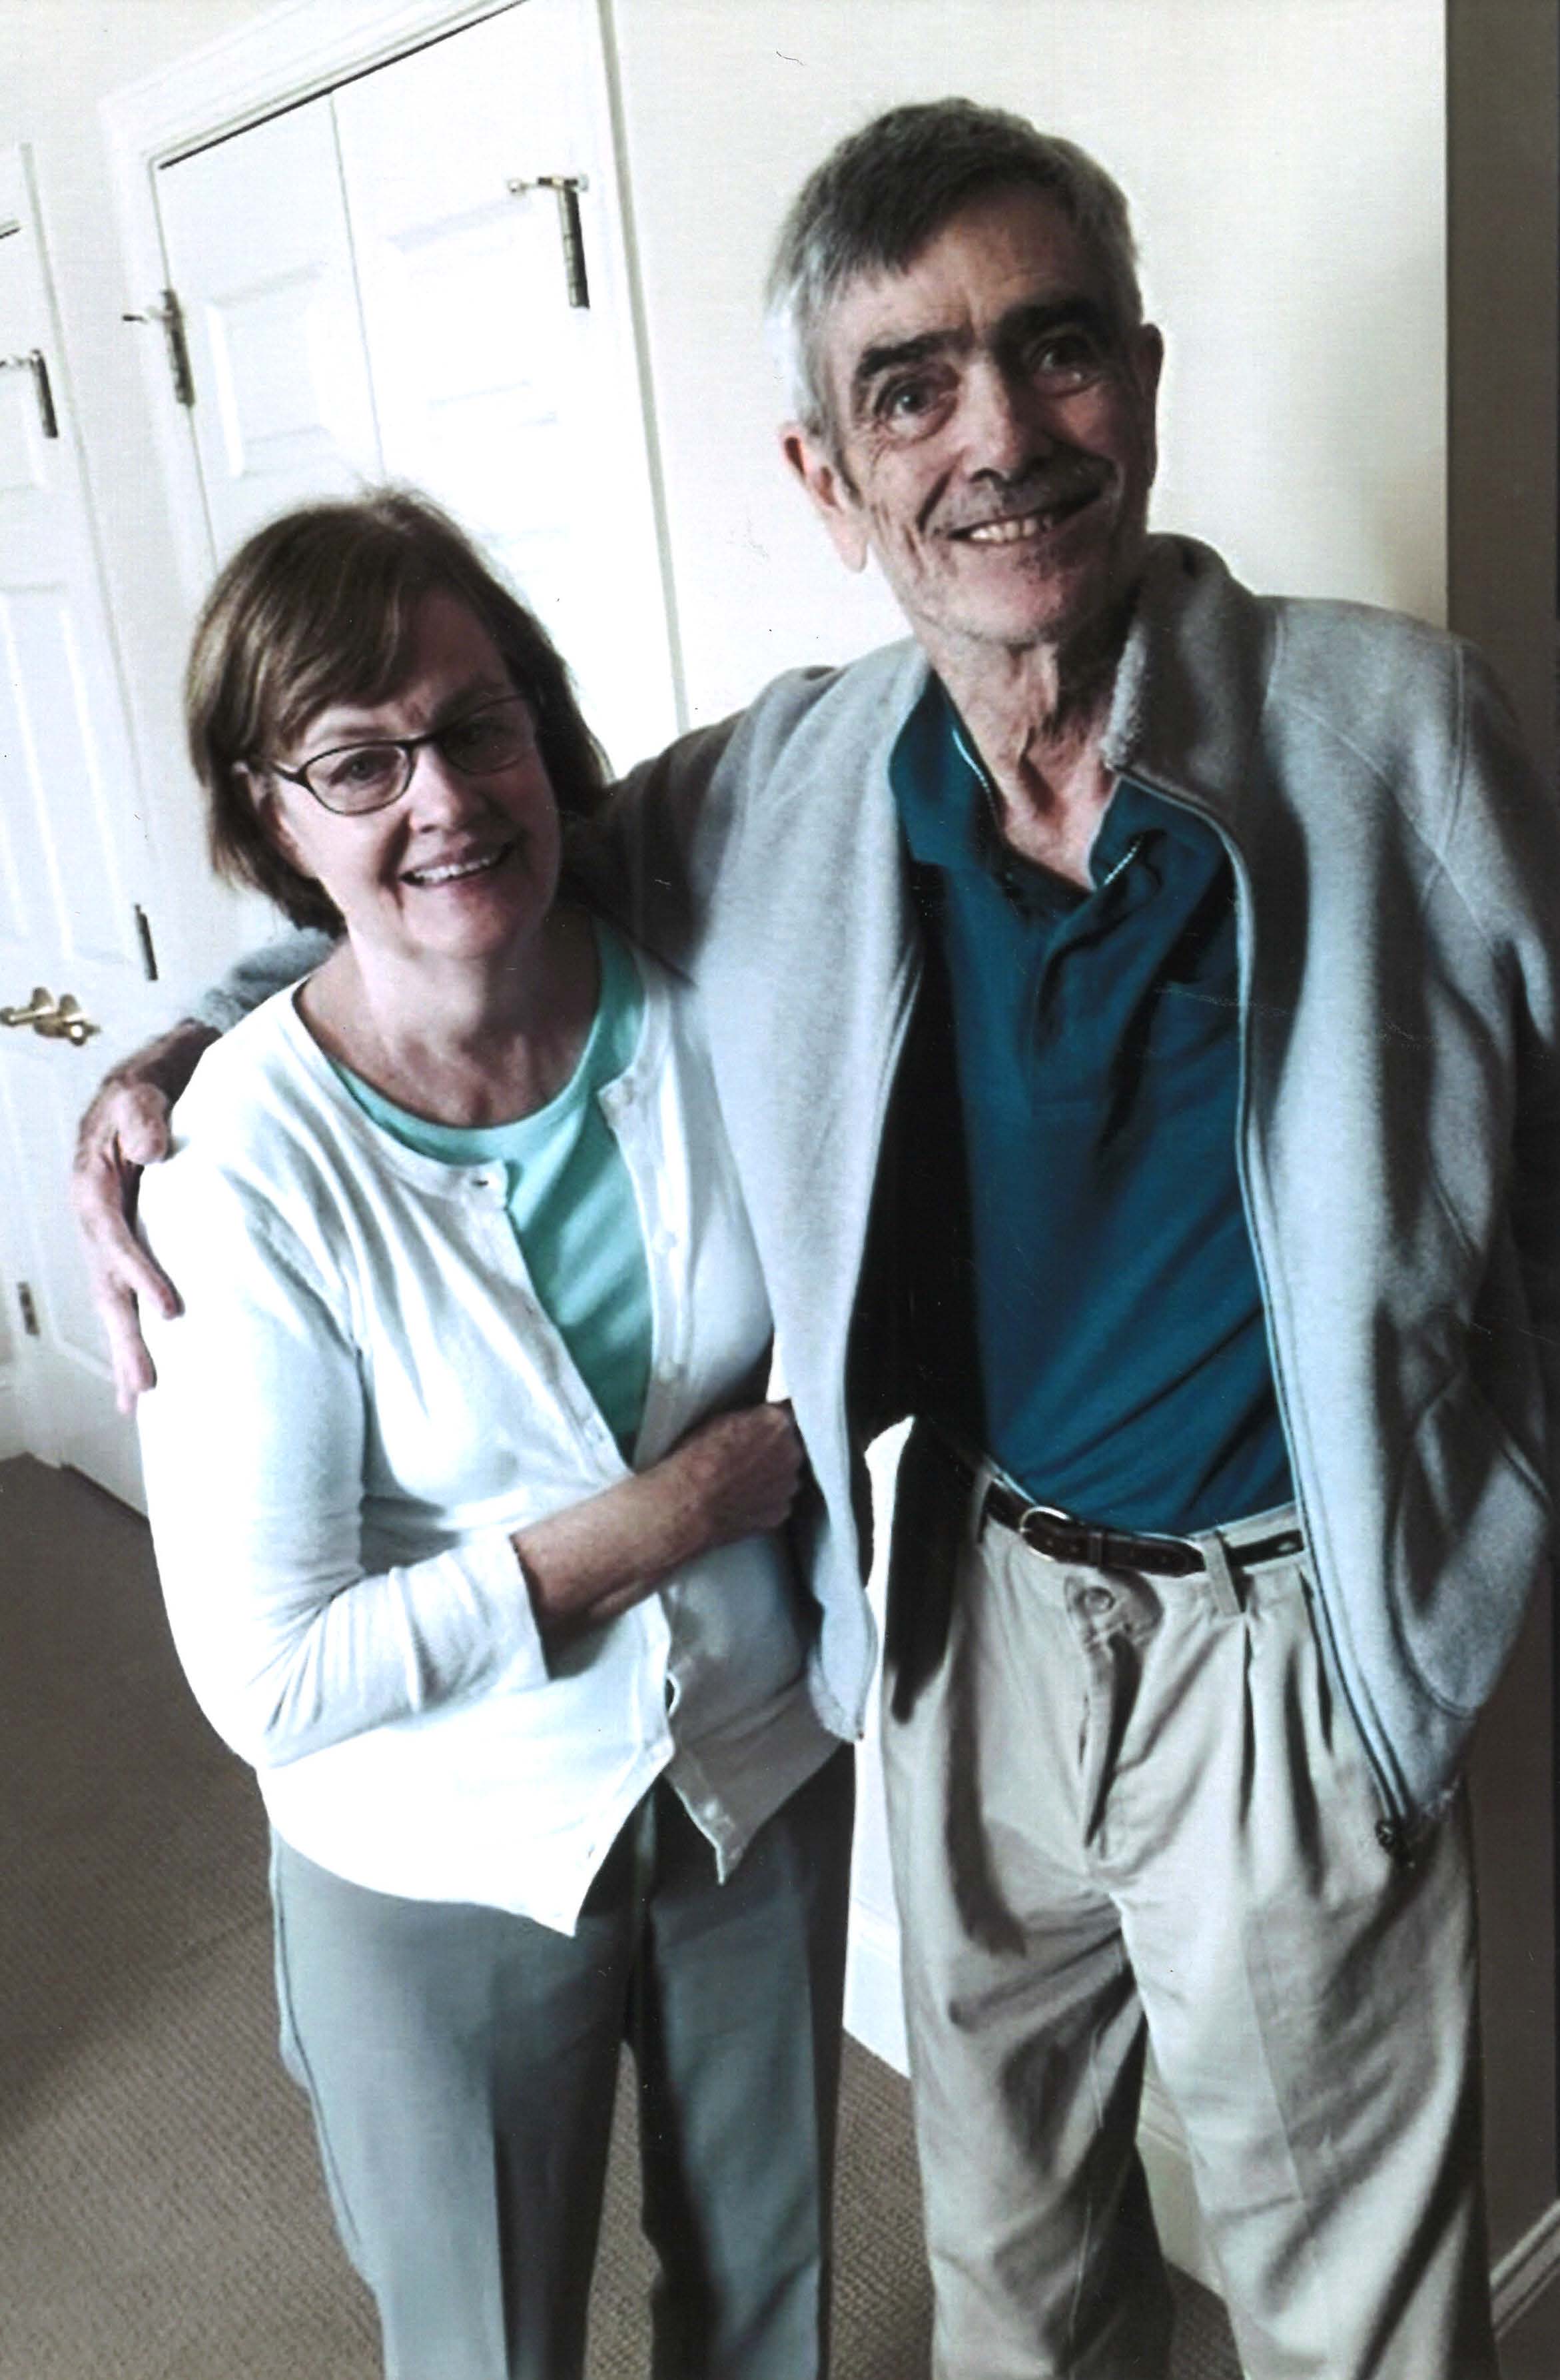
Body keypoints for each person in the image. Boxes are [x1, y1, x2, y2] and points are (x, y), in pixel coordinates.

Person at [74, 100, 1560, 2380]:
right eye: (911, 386)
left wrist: (1492, 1505)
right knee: (1007, 2256)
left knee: (1348, 2313)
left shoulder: (1392, 733)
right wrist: (178, 1045)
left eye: (1055, 349)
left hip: (1282, 1634)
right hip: (971, 1602)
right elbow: (465, 870)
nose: (1000, 438)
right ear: (830, 475)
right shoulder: (795, 784)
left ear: (1143, 379)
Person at [118, 490, 861, 2380]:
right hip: (437, 1850)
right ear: (271, 818)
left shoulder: (705, 1011)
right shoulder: (238, 1169)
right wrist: (667, 1517)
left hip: (750, 1774)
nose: (441, 796)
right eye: (358, 762)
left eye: (475, 726)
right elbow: (275, 1678)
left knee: (767, 2302)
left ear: (546, 733)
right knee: (487, 2343)